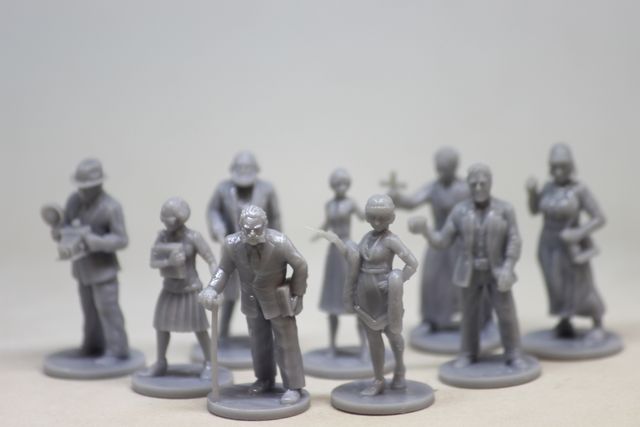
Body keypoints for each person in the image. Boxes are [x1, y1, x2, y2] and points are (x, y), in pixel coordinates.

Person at [409, 164, 526, 369]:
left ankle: (514, 353)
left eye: (482, 183)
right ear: (468, 186)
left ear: (490, 183)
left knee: (506, 314)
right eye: (474, 184)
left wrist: (508, 267)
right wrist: (426, 230)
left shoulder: (504, 209)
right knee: (469, 316)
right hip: (469, 273)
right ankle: (468, 353)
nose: (478, 188)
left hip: (497, 271)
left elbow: (514, 240)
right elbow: (442, 241)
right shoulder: (460, 211)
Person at [199, 205, 307, 405]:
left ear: (265, 225)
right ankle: (264, 379)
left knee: (286, 343)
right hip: (251, 301)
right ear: (240, 227)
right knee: (258, 343)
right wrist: (212, 288)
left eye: (257, 229)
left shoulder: (280, 242)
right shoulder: (232, 244)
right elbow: (224, 270)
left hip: (278, 301)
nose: (252, 234)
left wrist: (297, 293)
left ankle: (294, 386)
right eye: (247, 230)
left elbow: (300, 264)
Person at [317, 194, 418, 396]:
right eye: (373, 217)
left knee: (393, 334)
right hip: (365, 297)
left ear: (390, 218)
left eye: (382, 218)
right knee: (373, 340)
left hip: (385, 298)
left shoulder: (391, 240)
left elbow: (412, 263)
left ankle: (399, 369)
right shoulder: (367, 238)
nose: (377, 222)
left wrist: (396, 279)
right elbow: (354, 258)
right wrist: (338, 242)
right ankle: (378, 379)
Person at [52, 158, 130, 364]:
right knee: (89, 311)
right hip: (82, 268)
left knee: (108, 310)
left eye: (88, 187)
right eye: (81, 186)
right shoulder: (73, 202)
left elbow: (122, 239)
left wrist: (97, 242)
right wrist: (59, 233)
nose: (83, 191)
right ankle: (92, 345)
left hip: (104, 270)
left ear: (99, 184)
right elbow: (65, 228)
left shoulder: (111, 207)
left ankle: (117, 350)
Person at [526, 143, 607, 341]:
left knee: (581, 286)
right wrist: (532, 193)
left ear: (571, 166)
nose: (558, 171)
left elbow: (599, 217)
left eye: (562, 166)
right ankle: (565, 320)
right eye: (554, 166)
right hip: (548, 245)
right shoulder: (548, 187)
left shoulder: (579, 190)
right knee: (556, 286)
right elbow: (534, 210)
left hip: (570, 246)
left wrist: (578, 233)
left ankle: (597, 320)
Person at [388, 147, 471, 330]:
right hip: (436, 240)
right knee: (431, 280)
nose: (441, 172)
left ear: (454, 167)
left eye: (445, 168)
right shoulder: (433, 188)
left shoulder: (465, 189)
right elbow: (412, 202)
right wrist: (397, 197)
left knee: (461, 281)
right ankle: (430, 319)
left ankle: (467, 319)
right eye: (438, 168)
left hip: (459, 242)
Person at [206, 151, 281, 340]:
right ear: (233, 169)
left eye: (248, 167)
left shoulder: (267, 189)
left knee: (262, 290)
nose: (244, 171)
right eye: (240, 167)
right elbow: (213, 210)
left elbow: (275, 216)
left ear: (255, 169)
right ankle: (223, 333)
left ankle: (265, 334)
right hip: (234, 248)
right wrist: (218, 227)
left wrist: (275, 243)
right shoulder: (223, 189)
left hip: (261, 250)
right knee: (230, 291)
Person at [144, 197, 217, 378]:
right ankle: (160, 362)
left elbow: (210, 259)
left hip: (190, 289)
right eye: (164, 219)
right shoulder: (162, 237)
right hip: (170, 288)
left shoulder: (193, 237)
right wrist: (169, 261)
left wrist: (215, 284)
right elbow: (153, 261)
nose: (165, 223)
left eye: (169, 219)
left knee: (200, 328)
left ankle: (210, 362)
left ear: (180, 219)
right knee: (161, 326)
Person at [314, 168, 366, 356]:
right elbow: (326, 223)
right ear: (332, 186)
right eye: (337, 184)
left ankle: (364, 346)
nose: (341, 187)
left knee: (356, 299)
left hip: (348, 248)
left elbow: (363, 216)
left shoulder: (351, 203)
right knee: (332, 301)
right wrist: (318, 233)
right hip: (333, 252)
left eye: (344, 183)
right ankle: (332, 346)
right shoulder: (329, 205)